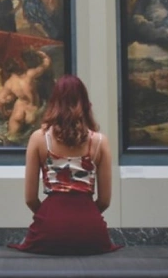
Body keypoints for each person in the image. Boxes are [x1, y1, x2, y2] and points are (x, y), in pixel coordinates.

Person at [9, 74, 120, 256]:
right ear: (85, 103)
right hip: (91, 231)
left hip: (49, 228)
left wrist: (49, 217)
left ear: (54, 102)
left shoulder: (38, 139)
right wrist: (84, 216)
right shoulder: (101, 142)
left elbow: (30, 199)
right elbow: (104, 201)